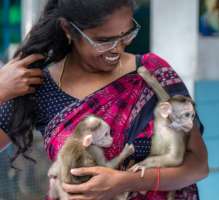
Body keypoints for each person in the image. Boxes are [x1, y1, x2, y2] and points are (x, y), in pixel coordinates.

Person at [0, 0, 208, 199]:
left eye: (126, 35)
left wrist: (126, 181)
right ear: (67, 29)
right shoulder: (40, 86)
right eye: (103, 40)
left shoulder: (152, 73)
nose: (117, 49)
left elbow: (198, 165)